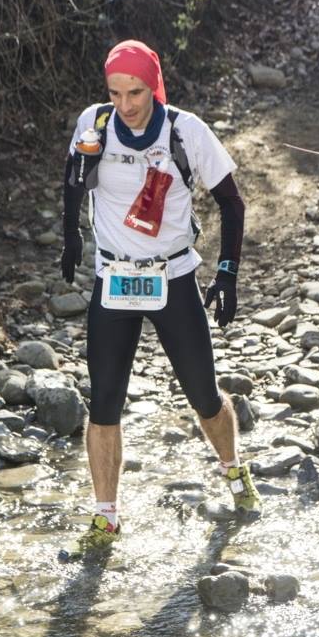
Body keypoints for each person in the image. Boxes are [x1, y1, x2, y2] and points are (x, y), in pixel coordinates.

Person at [60, 39, 261, 554]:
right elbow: (72, 181)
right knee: (103, 402)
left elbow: (232, 203)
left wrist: (228, 273)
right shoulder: (96, 123)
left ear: (154, 85)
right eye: (116, 92)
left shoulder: (185, 131)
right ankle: (106, 516)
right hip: (115, 281)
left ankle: (235, 473)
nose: (125, 104)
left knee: (204, 394)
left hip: (171, 278)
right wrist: (71, 238)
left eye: (136, 92)